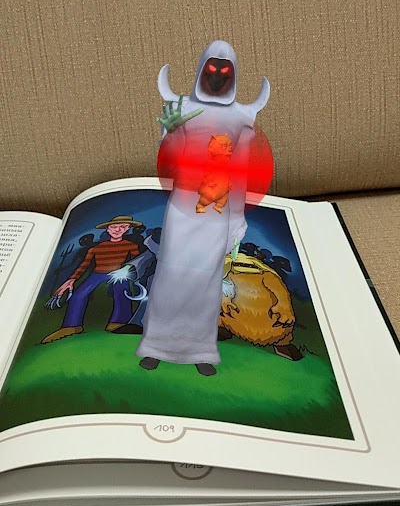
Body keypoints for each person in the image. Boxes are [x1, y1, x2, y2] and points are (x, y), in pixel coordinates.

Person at [136, 40, 272, 375]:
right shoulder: (181, 109)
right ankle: (155, 346)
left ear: (234, 74)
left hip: (217, 213)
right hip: (182, 208)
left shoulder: (242, 117)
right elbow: (172, 157)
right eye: (212, 69)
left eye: (225, 71)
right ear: (200, 70)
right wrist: (170, 132)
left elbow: (239, 173)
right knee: (169, 275)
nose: (217, 76)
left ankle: (201, 351)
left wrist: (238, 220)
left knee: (207, 281)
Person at [42, 215, 142, 343]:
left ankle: (119, 322)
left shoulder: (130, 245)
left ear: (127, 228)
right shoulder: (96, 248)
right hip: (97, 273)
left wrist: (128, 270)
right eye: (114, 227)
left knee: (122, 291)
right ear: (107, 229)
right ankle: (71, 326)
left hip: (118, 273)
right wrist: (71, 279)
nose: (118, 230)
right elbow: (84, 265)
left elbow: (137, 261)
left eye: (122, 227)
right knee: (78, 295)